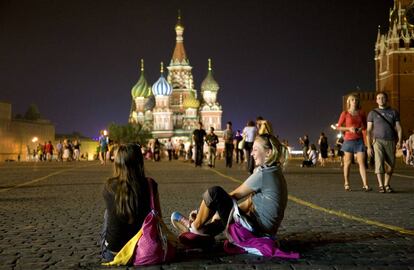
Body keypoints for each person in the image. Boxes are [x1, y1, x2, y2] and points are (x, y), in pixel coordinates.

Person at [171, 133, 288, 242]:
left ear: (268, 152)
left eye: (255, 150)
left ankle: (193, 227)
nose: (252, 153)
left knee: (214, 193)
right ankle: (204, 233)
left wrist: (207, 211)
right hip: (265, 232)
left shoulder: (263, 174)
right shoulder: (275, 171)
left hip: (256, 233)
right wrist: (217, 213)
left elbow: (233, 196)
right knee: (228, 211)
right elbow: (248, 203)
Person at [100, 144, 161, 261]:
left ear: (117, 163)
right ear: (139, 163)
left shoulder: (109, 186)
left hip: (113, 253)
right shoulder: (150, 184)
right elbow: (158, 217)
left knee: (108, 213)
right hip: (144, 250)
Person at [366, 91, 403, 193]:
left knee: (391, 166)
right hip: (377, 141)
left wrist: (399, 141)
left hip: (390, 140)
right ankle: (381, 185)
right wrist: (369, 146)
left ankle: (387, 184)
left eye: (383, 98)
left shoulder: (393, 112)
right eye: (378, 98)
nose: (381, 100)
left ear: (386, 99)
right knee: (379, 162)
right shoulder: (372, 113)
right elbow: (368, 131)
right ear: (376, 100)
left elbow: (399, 128)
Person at [336, 93, 371, 192]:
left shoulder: (362, 113)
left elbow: (364, 127)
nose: (354, 101)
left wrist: (360, 129)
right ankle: (346, 183)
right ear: (349, 102)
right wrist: (348, 129)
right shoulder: (345, 113)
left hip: (359, 140)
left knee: (362, 163)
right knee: (347, 163)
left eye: (356, 100)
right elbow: (338, 127)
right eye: (352, 100)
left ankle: (365, 184)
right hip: (348, 140)